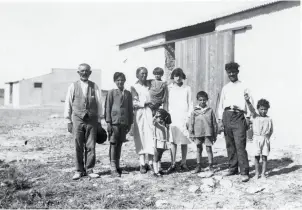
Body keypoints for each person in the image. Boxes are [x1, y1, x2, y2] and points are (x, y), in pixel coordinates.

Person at [64, 63, 102, 180]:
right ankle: (79, 170)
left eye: (86, 71)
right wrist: (68, 121)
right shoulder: (73, 86)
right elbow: (68, 104)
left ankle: (89, 169)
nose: (84, 73)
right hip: (77, 119)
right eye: (82, 71)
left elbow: (99, 104)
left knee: (91, 145)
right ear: (78, 72)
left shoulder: (94, 86)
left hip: (91, 119)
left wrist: (99, 120)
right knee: (78, 145)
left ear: (90, 73)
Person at [217, 62, 253, 182]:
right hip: (227, 115)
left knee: (240, 145)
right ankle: (232, 168)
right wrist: (220, 120)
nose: (231, 74)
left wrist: (248, 118)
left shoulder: (244, 86)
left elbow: (250, 103)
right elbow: (221, 104)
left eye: (233, 72)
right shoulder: (225, 88)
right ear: (227, 73)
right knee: (230, 144)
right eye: (229, 72)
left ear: (237, 72)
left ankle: (244, 171)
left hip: (239, 116)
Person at [104, 72, 133, 177]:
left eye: (122, 80)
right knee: (113, 143)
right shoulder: (111, 92)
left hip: (124, 122)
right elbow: (107, 107)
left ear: (125, 80)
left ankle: (118, 166)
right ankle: (112, 167)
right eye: (118, 80)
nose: (120, 82)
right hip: (114, 122)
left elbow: (130, 109)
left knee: (120, 143)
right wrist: (108, 122)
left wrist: (130, 122)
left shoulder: (128, 93)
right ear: (115, 81)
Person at [165, 68, 193, 173]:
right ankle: (173, 163)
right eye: (176, 76)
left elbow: (190, 103)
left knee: (184, 141)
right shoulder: (169, 88)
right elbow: (166, 103)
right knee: (173, 141)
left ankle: (184, 163)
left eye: (180, 76)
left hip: (183, 117)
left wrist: (189, 117)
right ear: (173, 77)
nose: (178, 78)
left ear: (183, 77)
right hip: (173, 117)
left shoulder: (187, 88)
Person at [131, 67, 155, 174]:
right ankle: (142, 163)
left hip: (150, 113)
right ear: (137, 75)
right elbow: (134, 102)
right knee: (140, 136)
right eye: (141, 74)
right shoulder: (134, 87)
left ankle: (150, 163)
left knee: (150, 136)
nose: (144, 75)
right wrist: (144, 103)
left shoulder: (150, 86)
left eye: (145, 73)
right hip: (139, 113)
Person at [244, 95, 273, 179]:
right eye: (261, 109)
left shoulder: (269, 119)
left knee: (264, 157)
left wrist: (267, 138)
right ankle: (257, 173)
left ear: (267, 109)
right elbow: (251, 109)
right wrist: (248, 101)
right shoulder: (255, 116)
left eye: (265, 109)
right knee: (256, 157)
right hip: (256, 139)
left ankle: (263, 174)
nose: (263, 111)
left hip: (265, 139)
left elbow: (271, 130)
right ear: (258, 109)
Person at [189, 91, 218, 174]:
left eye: (204, 100)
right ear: (197, 100)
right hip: (198, 133)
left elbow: (214, 123)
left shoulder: (210, 110)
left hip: (208, 133)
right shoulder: (194, 111)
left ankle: (211, 165)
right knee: (198, 149)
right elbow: (191, 123)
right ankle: (198, 165)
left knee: (209, 148)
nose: (202, 102)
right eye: (200, 100)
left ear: (207, 100)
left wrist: (215, 134)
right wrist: (191, 133)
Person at [152, 108, 172, 177]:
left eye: (159, 116)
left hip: (163, 141)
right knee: (156, 156)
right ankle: (155, 171)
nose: (158, 117)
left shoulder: (165, 123)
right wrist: (155, 117)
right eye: (157, 116)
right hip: (157, 141)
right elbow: (152, 121)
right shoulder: (156, 123)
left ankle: (159, 168)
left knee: (160, 155)